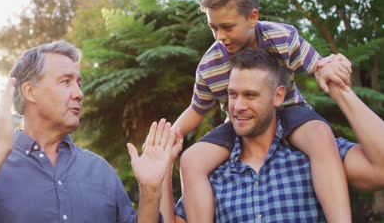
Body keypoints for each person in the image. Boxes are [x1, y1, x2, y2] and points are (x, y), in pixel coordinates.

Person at [0, 41, 182, 223]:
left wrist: (149, 192)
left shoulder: (100, 172)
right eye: (65, 81)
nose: (79, 93)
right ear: (30, 91)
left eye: (79, 83)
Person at [172, 0, 353, 222]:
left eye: (227, 27)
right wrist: (170, 135)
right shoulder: (210, 66)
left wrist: (330, 68)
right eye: (213, 27)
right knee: (191, 160)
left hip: (290, 111)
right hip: (239, 124)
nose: (220, 36)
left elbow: (317, 65)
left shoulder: (282, 37)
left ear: (252, 17)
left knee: (322, 136)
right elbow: (197, 109)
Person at [162, 47, 384, 222]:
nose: (237, 106)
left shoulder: (317, 155)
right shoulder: (212, 174)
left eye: (250, 95)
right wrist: (161, 174)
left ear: (278, 96)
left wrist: (339, 89)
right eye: (232, 94)